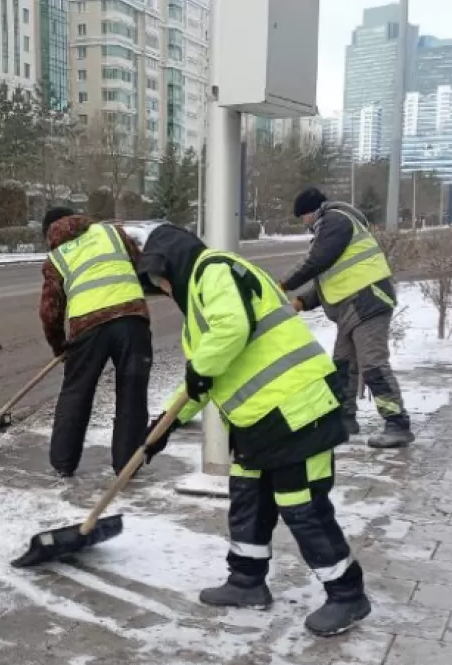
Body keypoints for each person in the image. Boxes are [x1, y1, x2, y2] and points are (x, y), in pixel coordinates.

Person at [137, 224, 370, 637]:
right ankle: (246, 581)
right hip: (260, 423)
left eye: (162, 280)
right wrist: (164, 427)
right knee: (247, 496)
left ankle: (347, 594)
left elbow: (230, 332)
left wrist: (199, 374)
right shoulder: (198, 306)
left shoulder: (216, 270)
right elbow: (203, 379)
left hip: (300, 410)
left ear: (172, 265)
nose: (165, 290)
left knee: (303, 506)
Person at [280, 188, 414, 449]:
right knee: (342, 365)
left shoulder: (335, 220)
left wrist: (282, 285)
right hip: (351, 307)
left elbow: (316, 262)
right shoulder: (334, 226)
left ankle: (397, 424)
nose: (304, 223)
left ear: (312, 211)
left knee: (373, 364)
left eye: (303, 217)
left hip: (368, 301)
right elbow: (330, 279)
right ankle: (345, 420)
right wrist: (300, 302)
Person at [40, 207, 152, 477]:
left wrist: (59, 345)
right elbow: (139, 266)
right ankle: (127, 465)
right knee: (132, 393)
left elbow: (50, 311)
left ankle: (63, 462)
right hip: (132, 320)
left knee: (76, 393)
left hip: (87, 328)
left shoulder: (56, 258)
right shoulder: (112, 233)